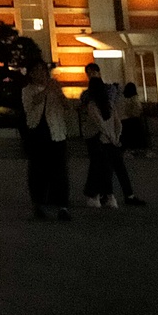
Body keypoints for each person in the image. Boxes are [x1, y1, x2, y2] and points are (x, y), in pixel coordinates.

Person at [80, 63, 144, 207]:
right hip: (105, 138)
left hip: (97, 137)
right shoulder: (108, 100)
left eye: (92, 72)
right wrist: (115, 137)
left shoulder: (91, 101)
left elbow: (100, 124)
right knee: (111, 165)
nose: (91, 75)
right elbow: (115, 123)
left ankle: (100, 195)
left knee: (102, 166)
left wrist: (112, 137)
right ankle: (115, 196)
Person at [21, 59, 73, 220]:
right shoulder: (27, 90)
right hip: (38, 134)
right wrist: (47, 90)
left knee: (60, 171)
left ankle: (62, 206)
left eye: (43, 70)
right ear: (30, 74)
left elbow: (67, 106)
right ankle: (39, 205)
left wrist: (59, 93)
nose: (41, 74)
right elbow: (33, 103)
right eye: (36, 71)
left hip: (57, 133)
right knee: (38, 172)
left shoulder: (54, 88)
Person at [119, 82, 150, 157]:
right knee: (136, 136)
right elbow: (138, 109)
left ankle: (128, 149)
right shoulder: (134, 98)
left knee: (127, 137)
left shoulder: (123, 99)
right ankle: (137, 149)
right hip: (134, 120)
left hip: (124, 120)